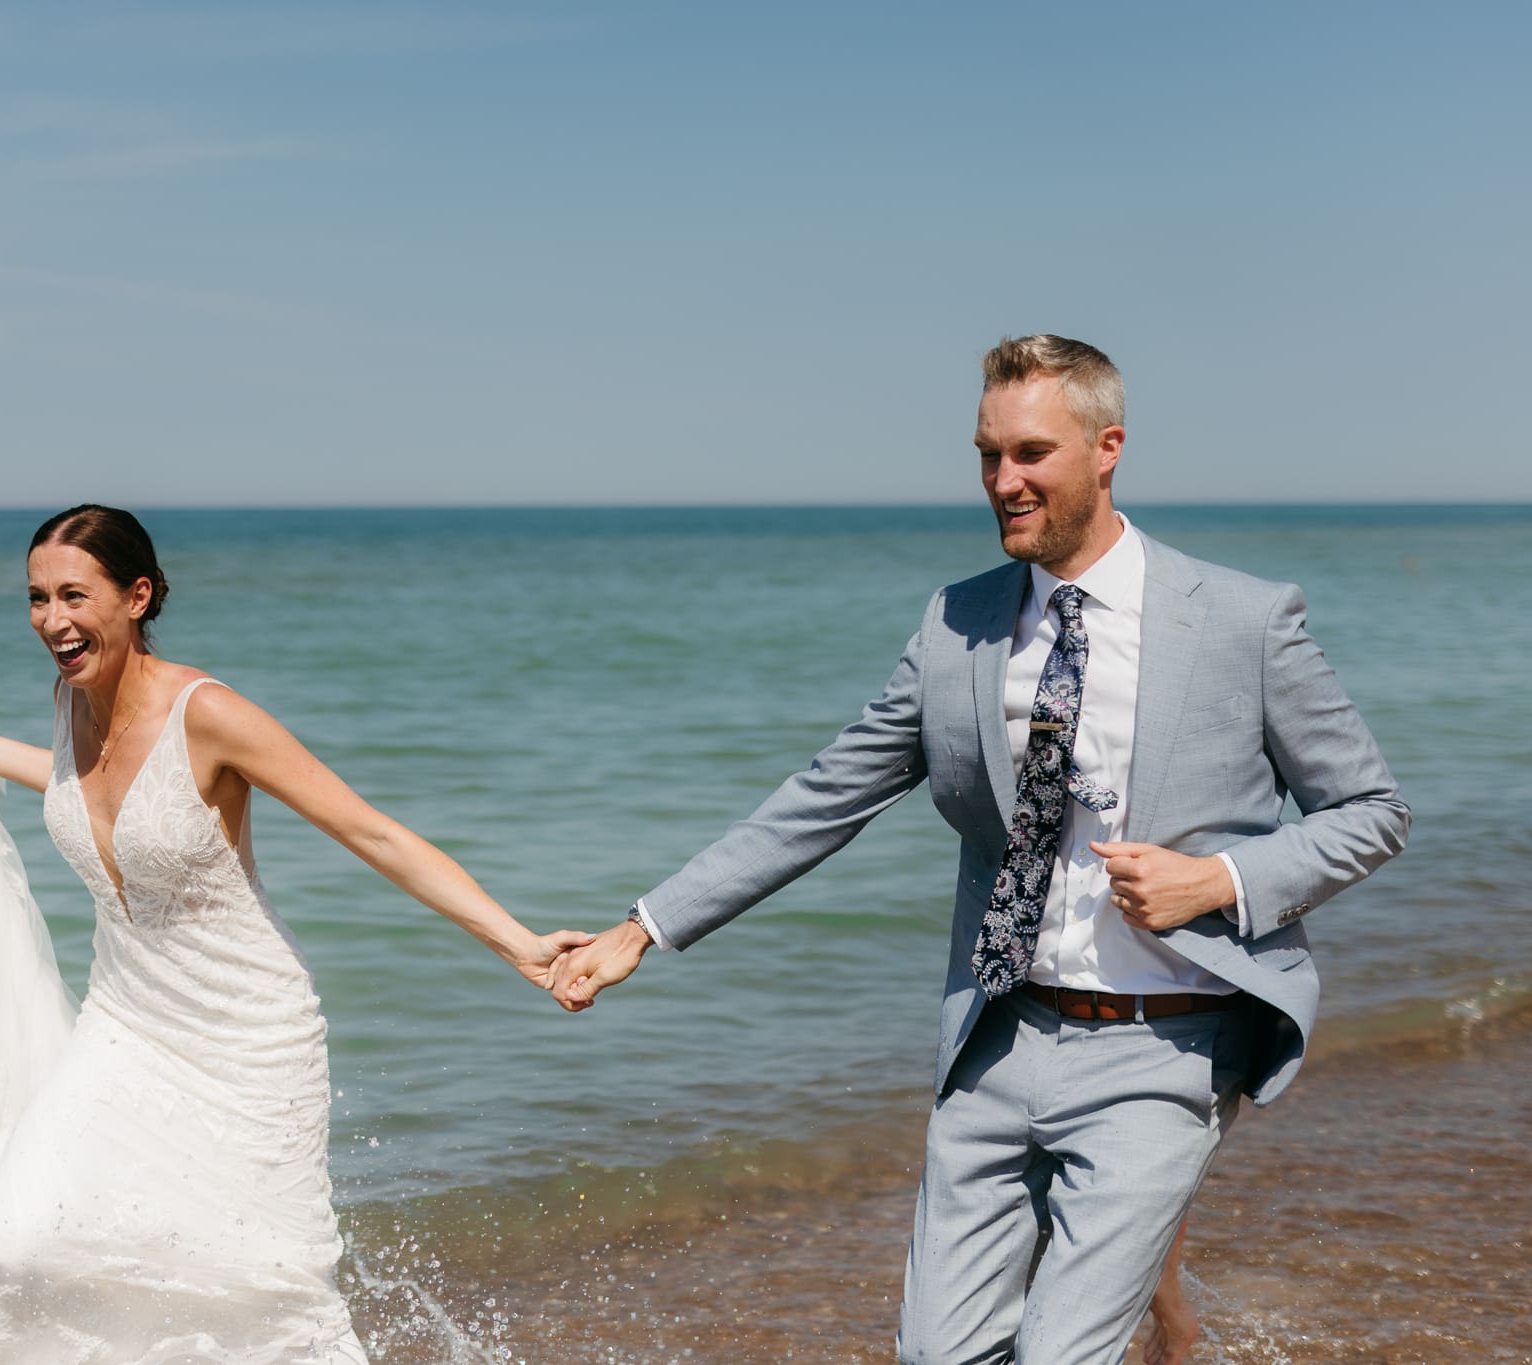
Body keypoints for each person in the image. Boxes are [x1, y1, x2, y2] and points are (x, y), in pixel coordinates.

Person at [548, 336, 1409, 1362]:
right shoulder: (955, 623)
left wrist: (1215, 879)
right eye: (986, 455)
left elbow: (1368, 808)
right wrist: (644, 928)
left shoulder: (1240, 620)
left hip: (1162, 1046)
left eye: (1030, 454)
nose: (1002, 482)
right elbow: (825, 796)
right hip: (994, 1039)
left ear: (1106, 448)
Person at [0, 503, 590, 1361]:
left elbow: (371, 831)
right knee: (17, 1246)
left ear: (137, 595)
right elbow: (77, 788)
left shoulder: (211, 714)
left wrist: (519, 944)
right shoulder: (70, 698)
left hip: (248, 1040)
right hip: (123, 1025)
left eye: (74, 595)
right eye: (37, 597)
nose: (52, 620)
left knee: (255, 1287)